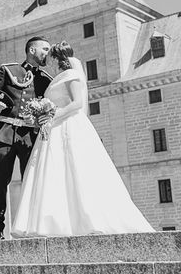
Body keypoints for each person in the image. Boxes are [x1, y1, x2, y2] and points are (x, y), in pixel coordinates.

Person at [11, 42, 154, 237]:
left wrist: (53, 115)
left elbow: (77, 103)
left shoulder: (72, 75)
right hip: (53, 128)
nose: (47, 60)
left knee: (75, 170)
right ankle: (54, 223)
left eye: (49, 56)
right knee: (54, 174)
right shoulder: (56, 79)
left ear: (55, 58)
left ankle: (84, 220)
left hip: (68, 125)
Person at [0, 37, 53, 240]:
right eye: (45, 49)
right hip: (5, 132)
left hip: (30, 137)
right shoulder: (9, 71)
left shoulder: (46, 80)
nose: (47, 53)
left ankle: (30, 226)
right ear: (32, 50)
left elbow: (50, 106)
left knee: (31, 181)